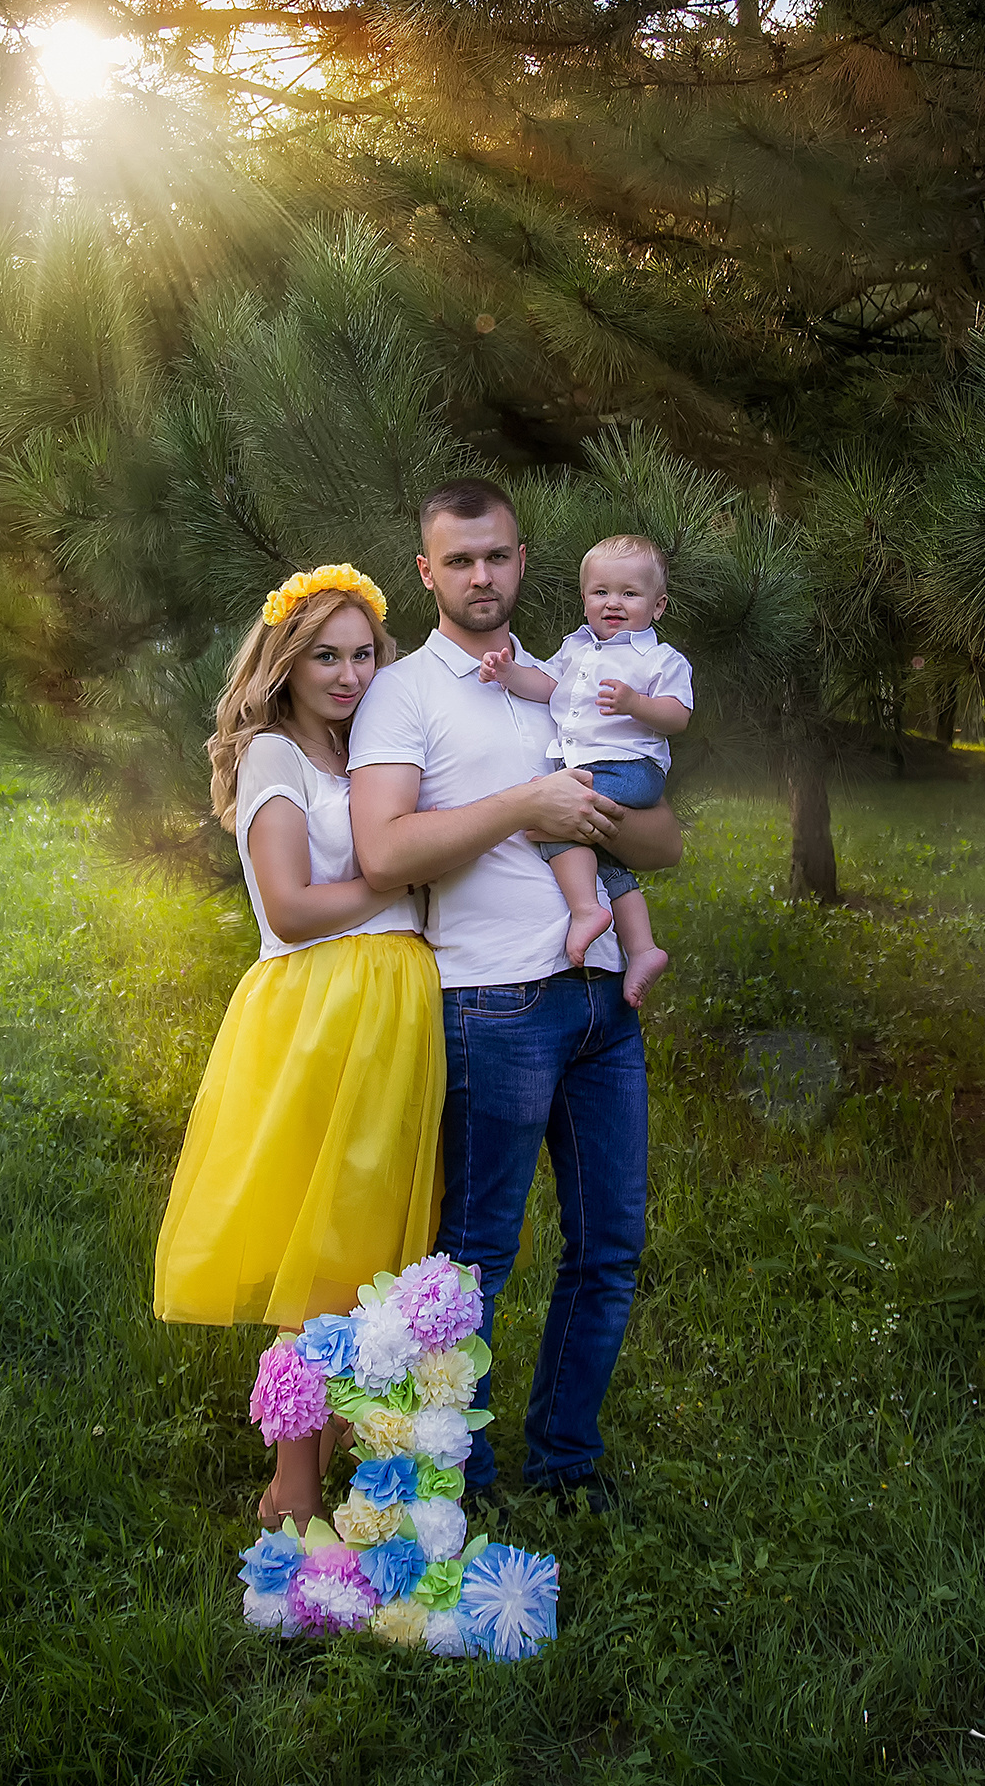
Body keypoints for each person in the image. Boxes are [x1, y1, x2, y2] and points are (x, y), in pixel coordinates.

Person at [347, 480, 682, 1513]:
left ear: (523, 560)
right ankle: (465, 1479)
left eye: (495, 556)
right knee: (478, 1258)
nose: (481, 576)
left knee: (610, 1247)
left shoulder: (574, 672)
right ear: (427, 573)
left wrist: (585, 814)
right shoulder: (402, 692)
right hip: (493, 1008)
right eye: (459, 561)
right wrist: (526, 805)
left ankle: (567, 1462)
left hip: (600, 1006)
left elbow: (662, 838)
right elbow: (384, 849)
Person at [153, 565, 444, 1532]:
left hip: (396, 1011)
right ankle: (296, 1486)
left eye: (364, 655)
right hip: (323, 1011)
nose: (351, 674)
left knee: (369, 1249)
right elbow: (288, 905)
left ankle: (346, 1455)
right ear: (287, 660)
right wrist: (395, 876)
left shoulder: (368, 753)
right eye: (327, 655)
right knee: (317, 1254)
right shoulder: (275, 755)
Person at [477, 532, 692, 1007]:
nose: (613, 603)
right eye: (601, 592)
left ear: (658, 606)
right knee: (606, 859)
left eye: (629, 594)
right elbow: (545, 684)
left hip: (632, 766)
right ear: (584, 599)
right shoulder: (575, 650)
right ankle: (643, 948)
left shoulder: (658, 658)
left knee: (555, 813)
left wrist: (637, 703)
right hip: (595, 765)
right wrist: (509, 675)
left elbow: (678, 715)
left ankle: (585, 910)